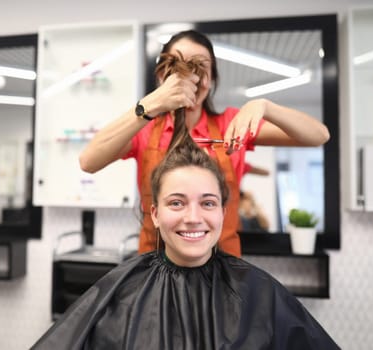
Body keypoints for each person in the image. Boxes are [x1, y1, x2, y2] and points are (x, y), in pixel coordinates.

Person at [31, 117, 340, 350]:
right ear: (154, 213)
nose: (193, 218)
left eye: (208, 203)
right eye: (176, 203)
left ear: (222, 212)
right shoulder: (119, 293)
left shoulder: (260, 294)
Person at [79, 29, 330, 257]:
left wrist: (265, 107)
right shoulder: (145, 128)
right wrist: (151, 105)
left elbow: (318, 135)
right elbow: (88, 161)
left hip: (223, 272)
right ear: (161, 77)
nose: (191, 77)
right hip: (154, 271)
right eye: (177, 68)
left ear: (211, 80)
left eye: (200, 68)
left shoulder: (231, 125)